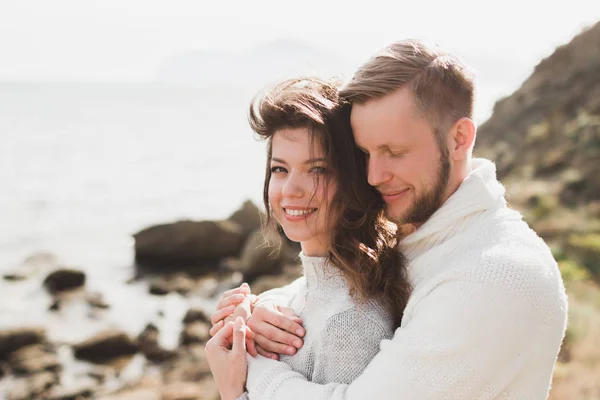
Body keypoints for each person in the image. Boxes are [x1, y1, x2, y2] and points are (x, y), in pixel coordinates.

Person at [208, 40, 569, 399]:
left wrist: (247, 369)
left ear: (459, 139)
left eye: (394, 152)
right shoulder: (427, 236)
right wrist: (259, 311)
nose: (373, 175)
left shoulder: (494, 273)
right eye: (364, 154)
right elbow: (334, 287)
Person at [205, 77, 411, 400]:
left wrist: (232, 389)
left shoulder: (349, 328)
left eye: (316, 170)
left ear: (352, 181)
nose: (290, 191)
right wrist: (247, 315)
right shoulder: (305, 293)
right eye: (280, 169)